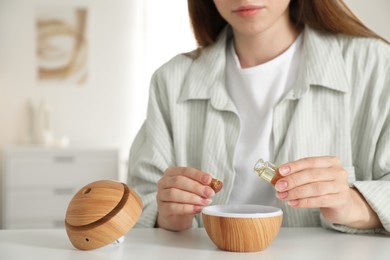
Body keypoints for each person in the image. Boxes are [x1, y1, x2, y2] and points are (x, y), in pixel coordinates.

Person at [128, 0, 390, 235]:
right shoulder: (170, 80)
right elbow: (137, 204)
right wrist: (167, 216)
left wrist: (351, 204)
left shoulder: (375, 64)